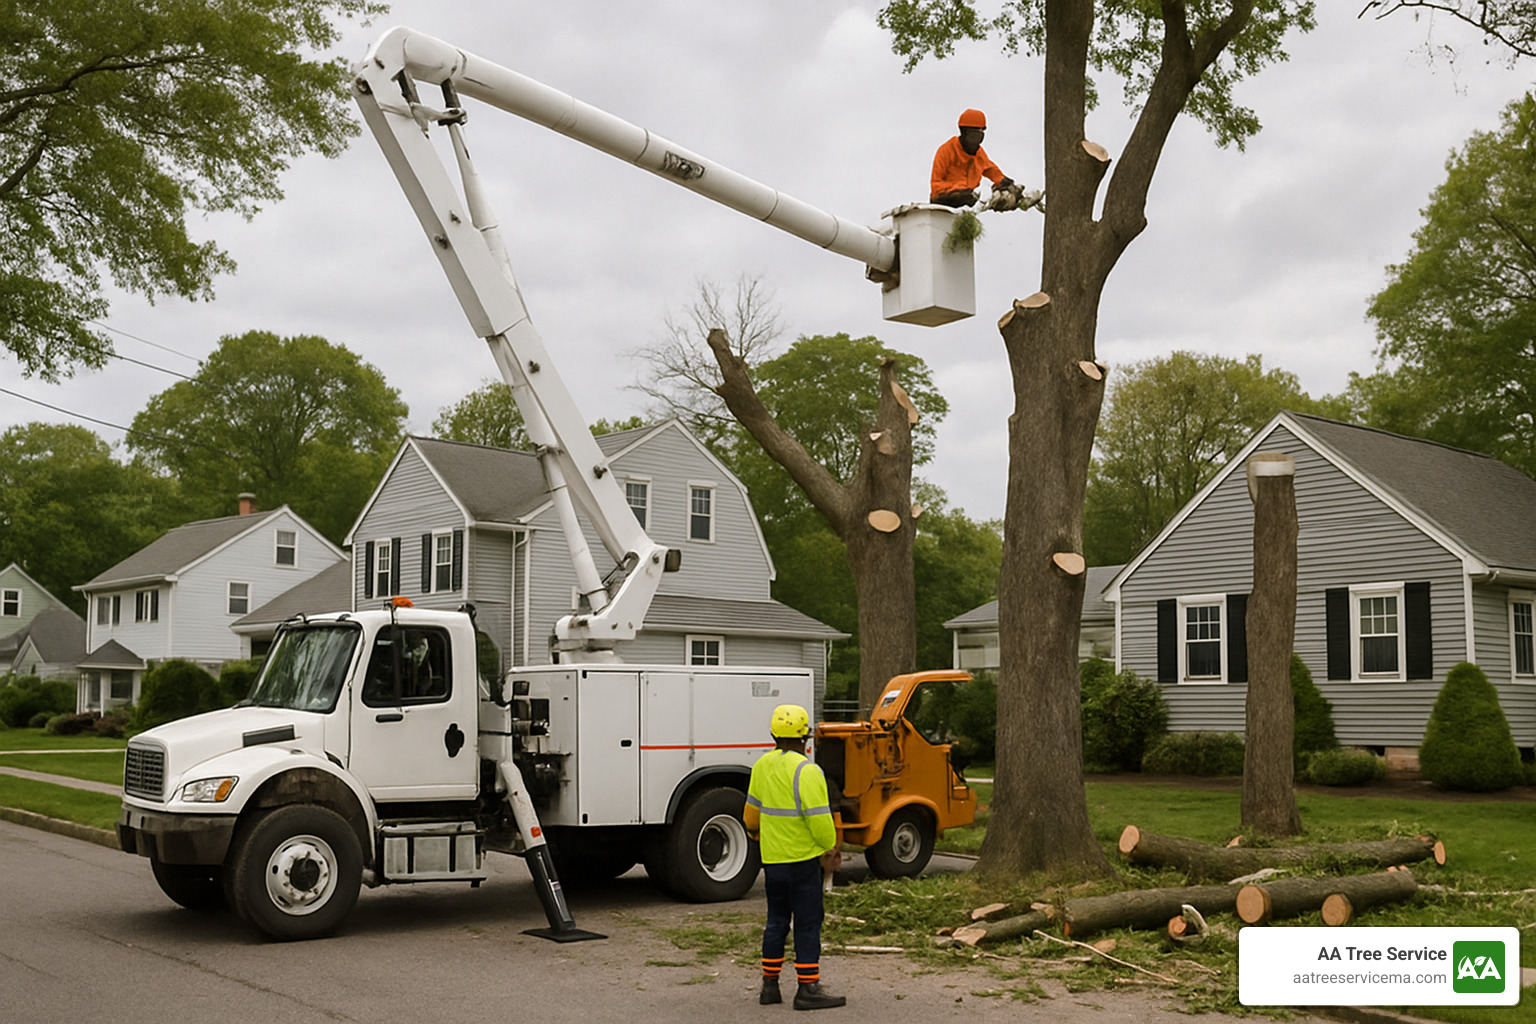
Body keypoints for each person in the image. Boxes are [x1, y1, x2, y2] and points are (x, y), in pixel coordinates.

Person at [743, 704, 846, 1010]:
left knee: (776, 922)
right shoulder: (808, 771)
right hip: (803, 863)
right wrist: (830, 849)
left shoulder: (761, 766)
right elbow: (821, 824)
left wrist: (759, 837)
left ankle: (769, 987)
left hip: (773, 863)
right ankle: (807, 989)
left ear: (773, 734)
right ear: (806, 737)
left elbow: (750, 818)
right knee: (807, 923)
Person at [930, 108, 1013, 208]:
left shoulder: (978, 153)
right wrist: (958, 191)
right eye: (976, 133)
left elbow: (990, 169)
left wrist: (1003, 181)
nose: (980, 136)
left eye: (982, 131)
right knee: (964, 197)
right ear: (964, 132)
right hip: (943, 202)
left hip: (967, 205)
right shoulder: (946, 151)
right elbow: (936, 185)